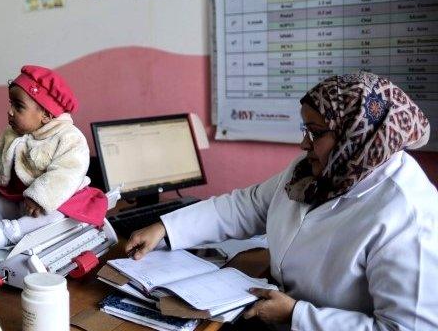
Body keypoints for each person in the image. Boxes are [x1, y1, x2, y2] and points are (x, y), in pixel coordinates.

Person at [126, 72, 437, 330]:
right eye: (305, 130)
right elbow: (248, 206)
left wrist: (297, 315)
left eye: (315, 132)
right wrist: (165, 228)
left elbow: (407, 328)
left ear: (355, 134)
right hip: (269, 309)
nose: (304, 143)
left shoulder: (408, 214)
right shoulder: (316, 171)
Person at [0, 65, 107, 250]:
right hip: (20, 198)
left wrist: (40, 197)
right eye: (10, 103)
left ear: (46, 115)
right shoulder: (10, 134)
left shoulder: (69, 137)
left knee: (55, 215)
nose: (10, 111)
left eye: (18, 106)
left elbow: (67, 172)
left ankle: (10, 232)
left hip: (57, 199)